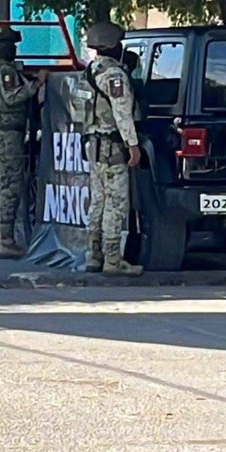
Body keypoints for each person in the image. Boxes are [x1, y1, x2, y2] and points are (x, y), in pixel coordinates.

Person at [0, 26, 45, 258]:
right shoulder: (5, 71)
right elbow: (12, 97)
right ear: (4, 47)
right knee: (9, 188)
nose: (14, 50)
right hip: (6, 136)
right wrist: (36, 85)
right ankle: (7, 241)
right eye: (11, 46)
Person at [81, 22, 143, 275]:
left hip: (93, 144)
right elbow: (122, 113)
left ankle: (93, 256)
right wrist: (133, 145)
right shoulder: (114, 76)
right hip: (112, 145)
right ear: (112, 46)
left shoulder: (89, 72)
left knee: (97, 202)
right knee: (115, 204)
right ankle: (113, 260)